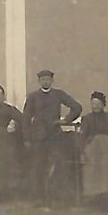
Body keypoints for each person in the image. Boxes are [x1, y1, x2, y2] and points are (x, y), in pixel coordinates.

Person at [22, 69, 83, 206]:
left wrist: (65, 120)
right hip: (38, 137)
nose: (45, 81)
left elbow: (77, 107)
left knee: (58, 165)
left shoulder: (58, 94)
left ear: (52, 81)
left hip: (55, 136)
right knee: (38, 167)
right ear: (39, 81)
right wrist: (27, 138)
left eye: (48, 79)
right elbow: (26, 118)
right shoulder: (33, 97)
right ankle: (39, 198)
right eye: (43, 79)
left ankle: (56, 197)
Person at [79, 91, 108, 198]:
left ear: (103, 105)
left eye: (98, 104)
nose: (95, 106)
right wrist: (82, 151)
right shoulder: (87, 118)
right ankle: (95, 197)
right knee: (93, 173)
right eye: (93, 104)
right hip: (93, 150)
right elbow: (82, 136)